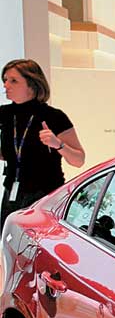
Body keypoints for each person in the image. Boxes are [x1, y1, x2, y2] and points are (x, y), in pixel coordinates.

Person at [0, 59, 86, 228]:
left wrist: (58, 144)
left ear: (32, 84)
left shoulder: (54, 116)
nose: (6, 85)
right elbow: (11, 154)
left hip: (45, 195)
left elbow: (79, 160)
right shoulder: (5, 115)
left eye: (13, 81)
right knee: (9, 239)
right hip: (12, 193)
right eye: (5, 80)